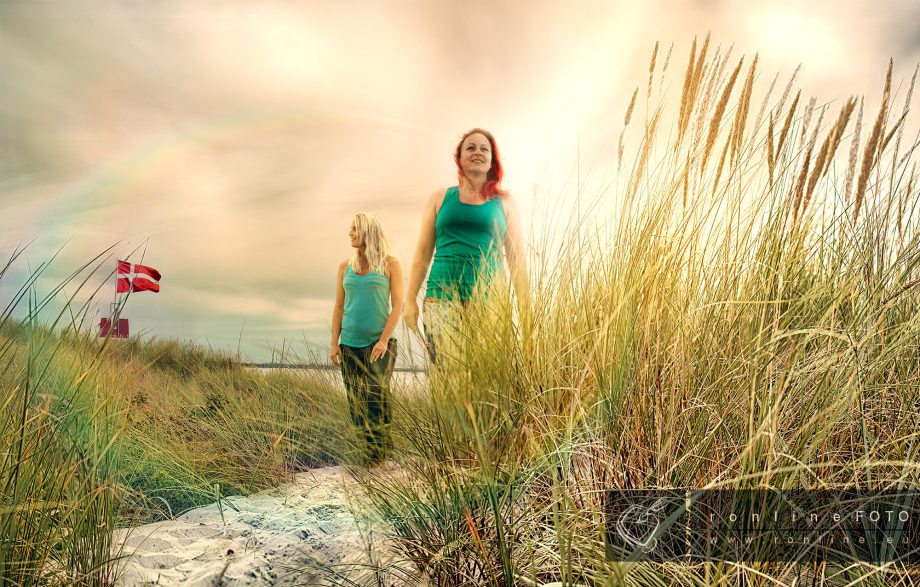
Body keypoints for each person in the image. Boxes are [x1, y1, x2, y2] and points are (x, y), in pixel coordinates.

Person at [403, 128, 528, 364]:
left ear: (492, 160)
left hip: (490, 305)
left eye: (484, 148)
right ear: (459, 158)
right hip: (441, 303)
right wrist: (409, 301)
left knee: (489, 384)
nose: (477, 152)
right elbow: (422, 254)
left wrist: (526, 312)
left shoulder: (506, 203)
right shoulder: (440, 197)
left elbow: (517, 262)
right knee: (446, 382)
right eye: (470, 148)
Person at [330, 213, 404, 464]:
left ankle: (381, 452)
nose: (349, 233)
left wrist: (384, 340)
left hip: (379, 345)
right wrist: (334, 343)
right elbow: (339, 307)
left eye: (354, 229)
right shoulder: (345, 267)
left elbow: (398, 305)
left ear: (368, 231)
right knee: (355, 400)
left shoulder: (390, 264)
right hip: (349, 344)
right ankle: (367, 453)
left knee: (376, 394)